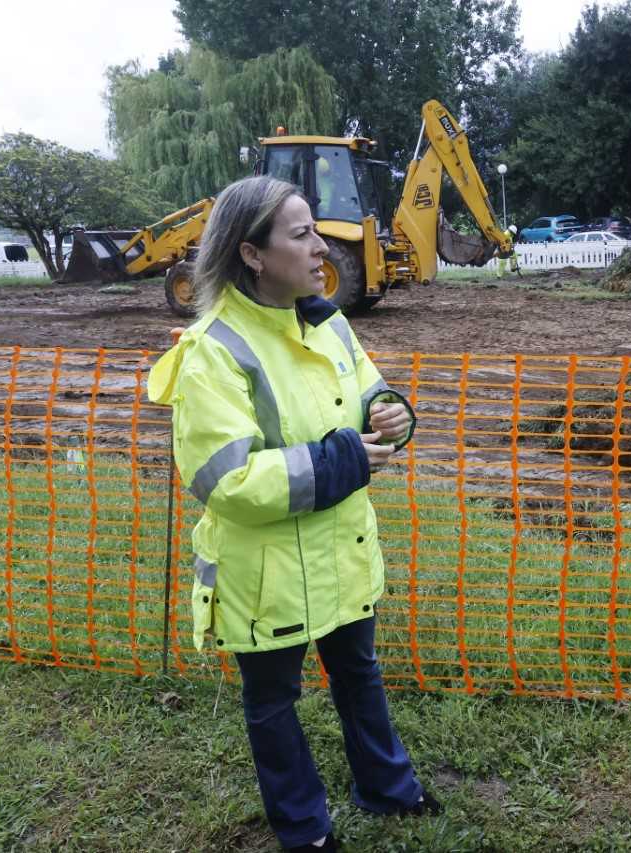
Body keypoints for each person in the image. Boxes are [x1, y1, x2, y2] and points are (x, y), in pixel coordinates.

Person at [147, 176, 440, 852]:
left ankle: (389, 788)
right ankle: (305, 827)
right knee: (274, 702)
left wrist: (389, 412)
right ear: (252, 254)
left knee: (359, 674)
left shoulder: (329, 321)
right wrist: (346, 457)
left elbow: (369, 394)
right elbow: (227, 480)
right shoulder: (212, 351)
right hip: (267, 574)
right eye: (302, 233)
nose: (320, 247)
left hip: (342, 551)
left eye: (315, 231)